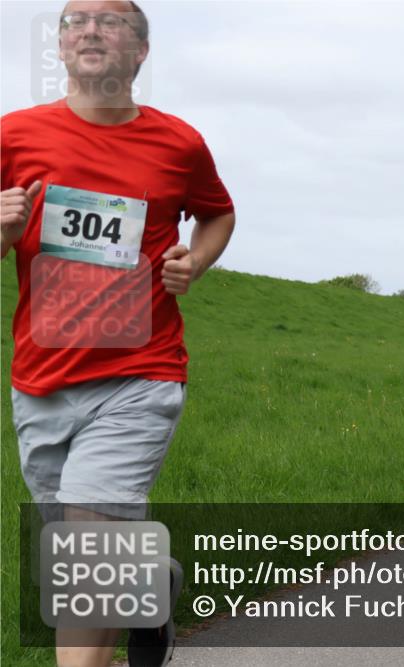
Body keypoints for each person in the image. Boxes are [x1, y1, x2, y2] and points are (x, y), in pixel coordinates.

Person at [1, 3, 235, 666]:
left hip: (142, 374)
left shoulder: (178, 143)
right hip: (41, 382)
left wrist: (195, 259)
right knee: (78, 539)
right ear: (62, 46)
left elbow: (217, 213)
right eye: (76, 19)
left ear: (140, 52)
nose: (91, 28)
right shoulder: (13, 136)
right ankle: (152, 583)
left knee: (85, 553)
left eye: (111, 20)